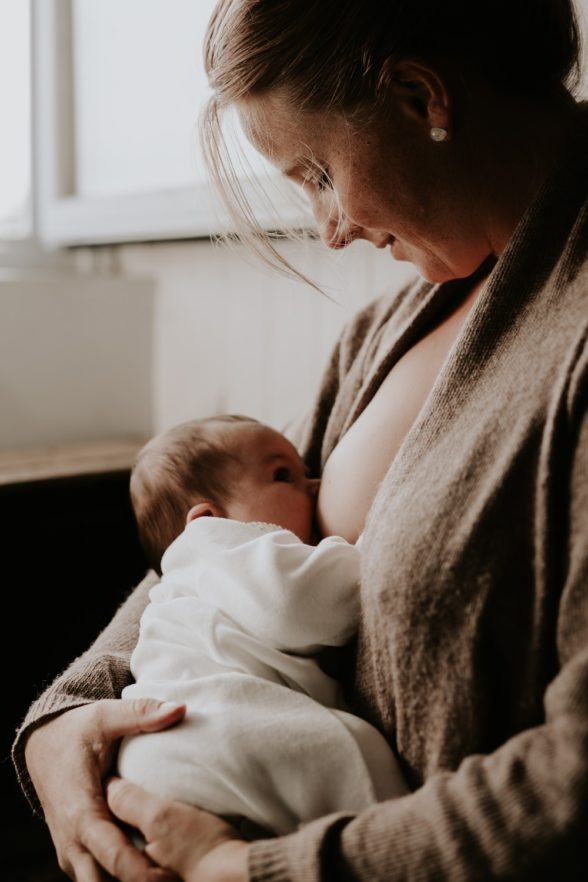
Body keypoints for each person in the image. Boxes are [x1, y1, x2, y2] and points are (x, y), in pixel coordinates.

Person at [14, 1, 588, 880]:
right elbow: (212, 547)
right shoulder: (383, 332)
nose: (330, 229)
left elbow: (575, 774)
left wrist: (259, 872)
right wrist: (65, 722)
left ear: (419, 96)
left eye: (319, 173)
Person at [118, 415, 407, 836]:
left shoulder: (189, 581)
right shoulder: (214, 543)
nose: (315, 485)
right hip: (214, 727)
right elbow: (296, 602)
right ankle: (397, 845)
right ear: (207, 517)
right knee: (355, 754)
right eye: (283, 475)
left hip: (165, 754)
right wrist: (372, 545)